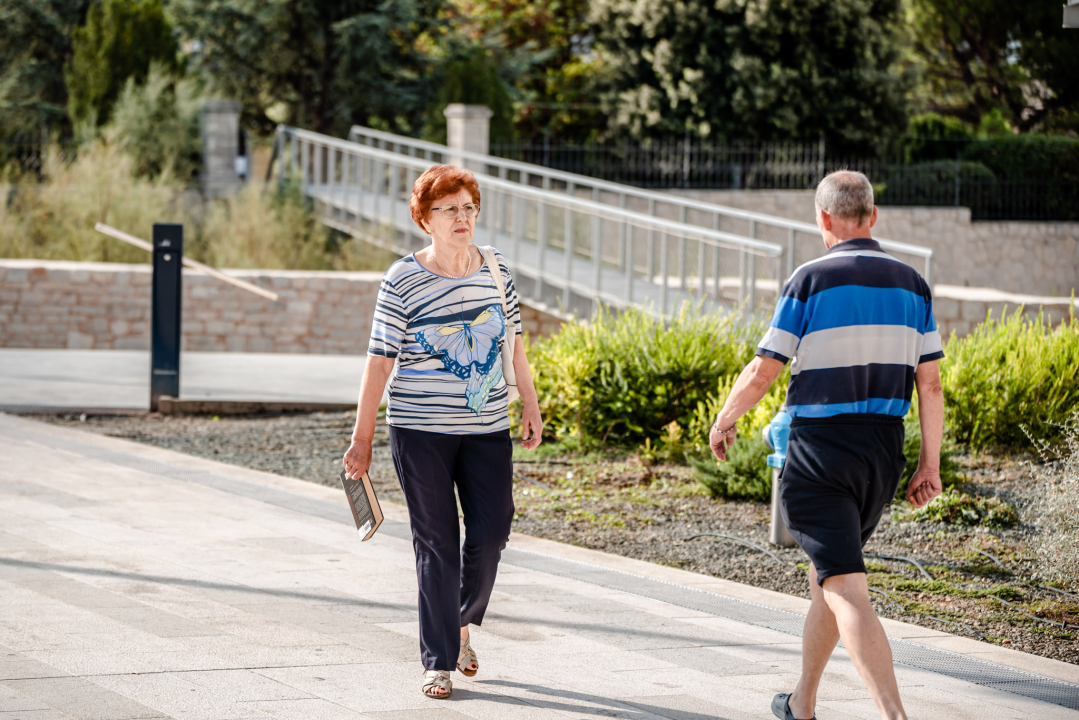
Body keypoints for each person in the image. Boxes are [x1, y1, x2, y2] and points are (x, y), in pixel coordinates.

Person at [709, 170, 944, 720]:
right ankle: (802, 703)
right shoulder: (913, 283)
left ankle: (895, 715)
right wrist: (928, 464)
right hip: (883, 456)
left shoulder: (810, 279)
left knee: (846, 588)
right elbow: (929, 383)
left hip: (820, 454)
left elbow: (766, 370)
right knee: (828, 575)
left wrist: (724, 420)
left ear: (823, 219)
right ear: (873, 216)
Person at [342, 164, 544, 699]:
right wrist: (362, 437)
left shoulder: (496, 269)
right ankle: (438, 660)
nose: (462, 217)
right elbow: (379, 362)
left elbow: (514, 343)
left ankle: (459, 624)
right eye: (449, 209)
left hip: (485, 427)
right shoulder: (402, 278)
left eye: (468, 207)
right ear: (425, 219)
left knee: (493, 530)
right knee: (437, 542)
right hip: (420, 431)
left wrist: (530, 401)